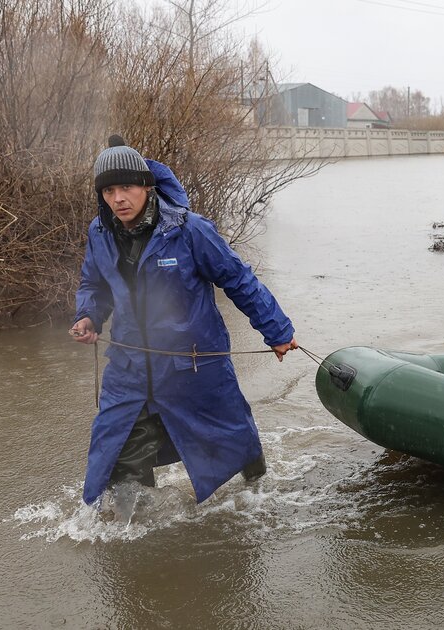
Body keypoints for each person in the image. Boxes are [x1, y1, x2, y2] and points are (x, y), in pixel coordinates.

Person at [71, 135, 297, 507]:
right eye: (109, 191)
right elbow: (94, 284)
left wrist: (277, 331)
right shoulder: (100, 233)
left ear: (147, 186)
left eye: (126, 187)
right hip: (128, 369)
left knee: (232, 440)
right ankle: (135, 536)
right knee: (116, 454)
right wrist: (88, 315)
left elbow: (239, 279)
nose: (118, 199)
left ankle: (258, 493)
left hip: (193, 365)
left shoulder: (189, 230)